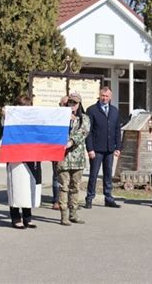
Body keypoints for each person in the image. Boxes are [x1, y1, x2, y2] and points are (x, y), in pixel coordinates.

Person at [5, 95, 41, 229]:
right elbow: (5, 127)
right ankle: (15, 218)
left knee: (28, 186)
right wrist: (6, 114)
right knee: (16, 186)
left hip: (30, 156)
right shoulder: (10, 117)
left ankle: (27, 217)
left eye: (28, 107)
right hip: (15, 156)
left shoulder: (34, 120)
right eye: (23, 107)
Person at [85, 86, 122, 209]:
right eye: (103, 96)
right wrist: (90, 149)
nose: (105, 98)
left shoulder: (114, 111)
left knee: (108, 174)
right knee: (94, 174)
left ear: (110, 97)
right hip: (96, 149)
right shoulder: (91, 110)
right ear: (99, 96)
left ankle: (108, 198)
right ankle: (89, 197)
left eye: (107, 96)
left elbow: (117, 130)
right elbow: (88, 131)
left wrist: (118, 147)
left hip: (110, 148)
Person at [58, 93, 89, 225]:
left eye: (74, 103)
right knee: (63, 187)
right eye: (70, 103)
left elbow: (83, 132)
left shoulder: (85, 118)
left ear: (79, 104)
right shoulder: (60, 117)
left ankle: (73, 213)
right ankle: (63, 214)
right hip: (63, 158)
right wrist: (65, 118)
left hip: (77, 158)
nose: (72, 105)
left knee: (75, 187)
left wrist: (71, 142)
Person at [51, 95, 68, 210]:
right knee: (57, 176)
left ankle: (68, 200)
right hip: (57, 149)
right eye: (64, 104)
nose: (67, 106)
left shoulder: (75, 116)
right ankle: (56, 200)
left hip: (71, 151)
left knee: (69, 176)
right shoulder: (55, 116)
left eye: (69, 104)